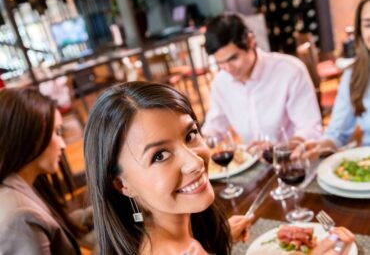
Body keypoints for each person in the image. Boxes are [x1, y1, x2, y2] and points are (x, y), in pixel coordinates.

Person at [83, 81, 353, 255]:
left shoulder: (179, 237)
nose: (195, 161)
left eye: (190, 134)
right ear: (122, 184)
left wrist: (222, 239)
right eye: (159, 155)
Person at [202, 13, 322, 144]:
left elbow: (310, 129)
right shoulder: (221, 83)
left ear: (250, 41)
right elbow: (213, 128)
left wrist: (279, 151)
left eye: (233, 58)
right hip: (253, 162)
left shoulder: (290, 71)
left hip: (293, 159)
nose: (228, 68)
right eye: (220, 62)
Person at [0, 88, 93, 254]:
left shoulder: (17, 185)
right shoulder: (20, 217)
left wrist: (95, 214)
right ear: (30, 136)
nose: (63, 145)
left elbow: (50, 226)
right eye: (57, 132)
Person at [302, 0, 370, 159]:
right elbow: (337, 133)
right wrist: (320, 146)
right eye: (368, 24)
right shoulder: (354, 75)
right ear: (360, 31)